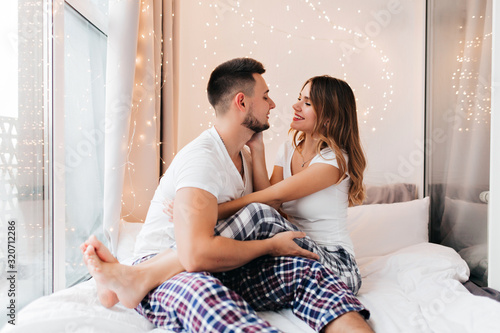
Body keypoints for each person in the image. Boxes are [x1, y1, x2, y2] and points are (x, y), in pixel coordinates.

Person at [82, 57, 373, 332]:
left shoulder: (329, 160)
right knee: (214, 283)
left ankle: (131, 279)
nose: (277, 104)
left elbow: (270, 201)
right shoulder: (204, 159)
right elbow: (264, 207)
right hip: (179, 261)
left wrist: (219, 208)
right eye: (266, 96)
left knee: (302, 268)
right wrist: (269, 244)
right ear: (242, 101)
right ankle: (139, 275)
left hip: (325, 257)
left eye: (306, 102)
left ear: (329, 114)